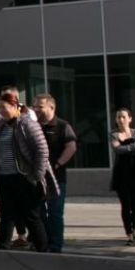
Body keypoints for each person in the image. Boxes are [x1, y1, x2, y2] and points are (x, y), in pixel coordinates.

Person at [0, 89, 51, 253]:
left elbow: (42, 150)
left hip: (24, 178)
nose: (1, 111)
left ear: (15, 106)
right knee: (6, 216)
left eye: (4, 107)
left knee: (31, 216)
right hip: (5, 178)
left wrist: (36, 176)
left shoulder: (26, 124)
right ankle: (2, 249)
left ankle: (43, 250)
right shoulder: (1, 126)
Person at [31, 95, 78, 253]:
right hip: (36, 178)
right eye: (35, 106)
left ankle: (56, 245)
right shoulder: (33, 126)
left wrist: (57, 164)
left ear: (51, 107)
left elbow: (71, 147)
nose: (36, 109)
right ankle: (42, 242)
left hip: (56, 178)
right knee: (38, 212)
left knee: (55, 212)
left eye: (40, 106)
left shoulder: (62, 126)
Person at [109, 109, 135, 244]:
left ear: (130, 119)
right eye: (118, 117)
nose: (121, 120)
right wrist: (134, 146)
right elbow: (117, 149)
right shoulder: (114, 134)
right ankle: (129, 234)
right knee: (126, 205)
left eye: (124, 117)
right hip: (121, 174)